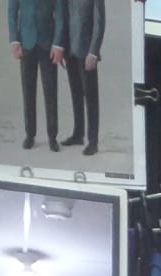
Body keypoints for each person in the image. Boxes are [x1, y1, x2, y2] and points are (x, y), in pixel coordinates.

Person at [8, 0, 68, 154]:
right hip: (26, 43)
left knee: (51, 91)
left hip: (48, 44)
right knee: (28, 92)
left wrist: (58, 44)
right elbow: (12, 11)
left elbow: (61, 15)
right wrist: (14, 40)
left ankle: (52, 137)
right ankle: (30, 134)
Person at [61, 0, 104, 158]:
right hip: (70, 51)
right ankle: (78, 134)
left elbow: (99, 23)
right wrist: (62, 48)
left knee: (91, 98)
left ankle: (93, 142)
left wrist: (93, 52)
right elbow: (63, 19)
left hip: (86, 52)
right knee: (76, 94)